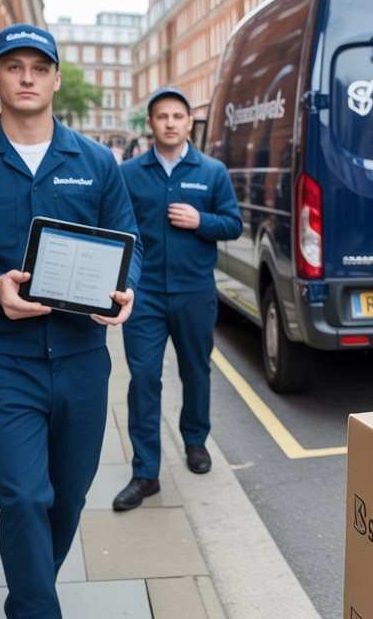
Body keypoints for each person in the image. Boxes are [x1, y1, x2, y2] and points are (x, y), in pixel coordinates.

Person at [0, 23, 140, 618]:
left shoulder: (95, 162)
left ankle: (28, 594)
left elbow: (128, 241)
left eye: (39, 68)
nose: (28, 78)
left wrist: (126, 290)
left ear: (57, 79)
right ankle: (37, 610)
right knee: (21, 498)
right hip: (1, 363)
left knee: (65, 500)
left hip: (82, 361)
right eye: (14, 67)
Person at [112, 87, 243, 511]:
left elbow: (233, 225)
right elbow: (115, 228)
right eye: (161, 116)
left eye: (177, 116)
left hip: (193, 292)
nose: (169, 122)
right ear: (150, 124)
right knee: (144, 379)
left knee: (196, 372)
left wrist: (200, 219)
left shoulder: (212, 171)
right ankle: (145, 472)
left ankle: (195, 442)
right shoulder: (129, 174)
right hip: (144, 294)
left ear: (189, 123)